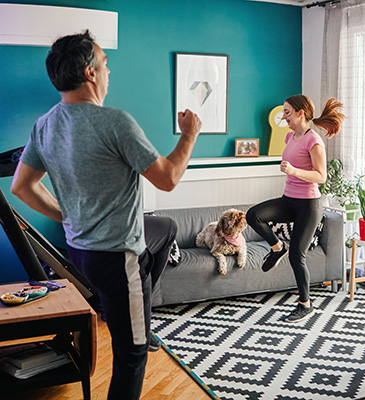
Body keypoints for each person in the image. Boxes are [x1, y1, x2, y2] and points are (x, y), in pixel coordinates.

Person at [10, 30, 202, 399]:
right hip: (117, 257)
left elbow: (22, 186)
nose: (109, 71)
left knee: (164, 229)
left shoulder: (45, 124)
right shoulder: (115, 122)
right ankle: (136, 325)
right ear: (90, 73)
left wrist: (65, 216)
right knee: (132, 355)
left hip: (81, 251)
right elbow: (168, 178)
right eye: (106, 64)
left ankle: (138, 313)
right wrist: (189, 134)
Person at [246, 95, 344, 323]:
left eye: (288, 112)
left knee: (297, 256)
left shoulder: (314, 141)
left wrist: (293, 171)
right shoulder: (290, 136)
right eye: (284, 112)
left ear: (301, 113)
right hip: (288, 199)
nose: (284, 116)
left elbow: (321, 176)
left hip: (308, 205)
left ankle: (305, 305)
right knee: (254, 216)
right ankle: (278, 247)